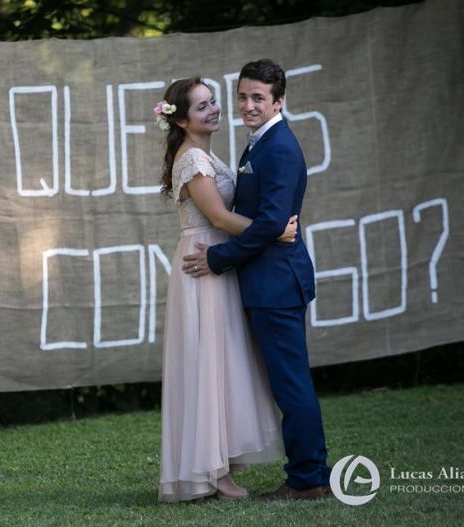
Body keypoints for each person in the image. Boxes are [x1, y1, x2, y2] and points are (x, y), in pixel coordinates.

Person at [182, 59, 332, 500]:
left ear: (278, 101)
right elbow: (263, 220)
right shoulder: (258, 142)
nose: (248, 105)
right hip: (266, 281)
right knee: (287, 382)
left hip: (277, 284)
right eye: (243, 96)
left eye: (258, 98)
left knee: (291, 384)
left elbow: (268, 224)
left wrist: (219, 259)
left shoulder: (280, 147)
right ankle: (309, 473)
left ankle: (309, 479)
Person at [157, 77, 295, 503]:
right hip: (203, 264)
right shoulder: (192, 159)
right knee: (208, 362)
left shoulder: (205, 153)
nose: (214, 109)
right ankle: (211, 473)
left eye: (214, 101)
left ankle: (220, 461)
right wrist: (273, 233)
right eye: (202, 107)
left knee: (224, 360)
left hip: (221, 261)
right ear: (181, 120)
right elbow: (217, 216)